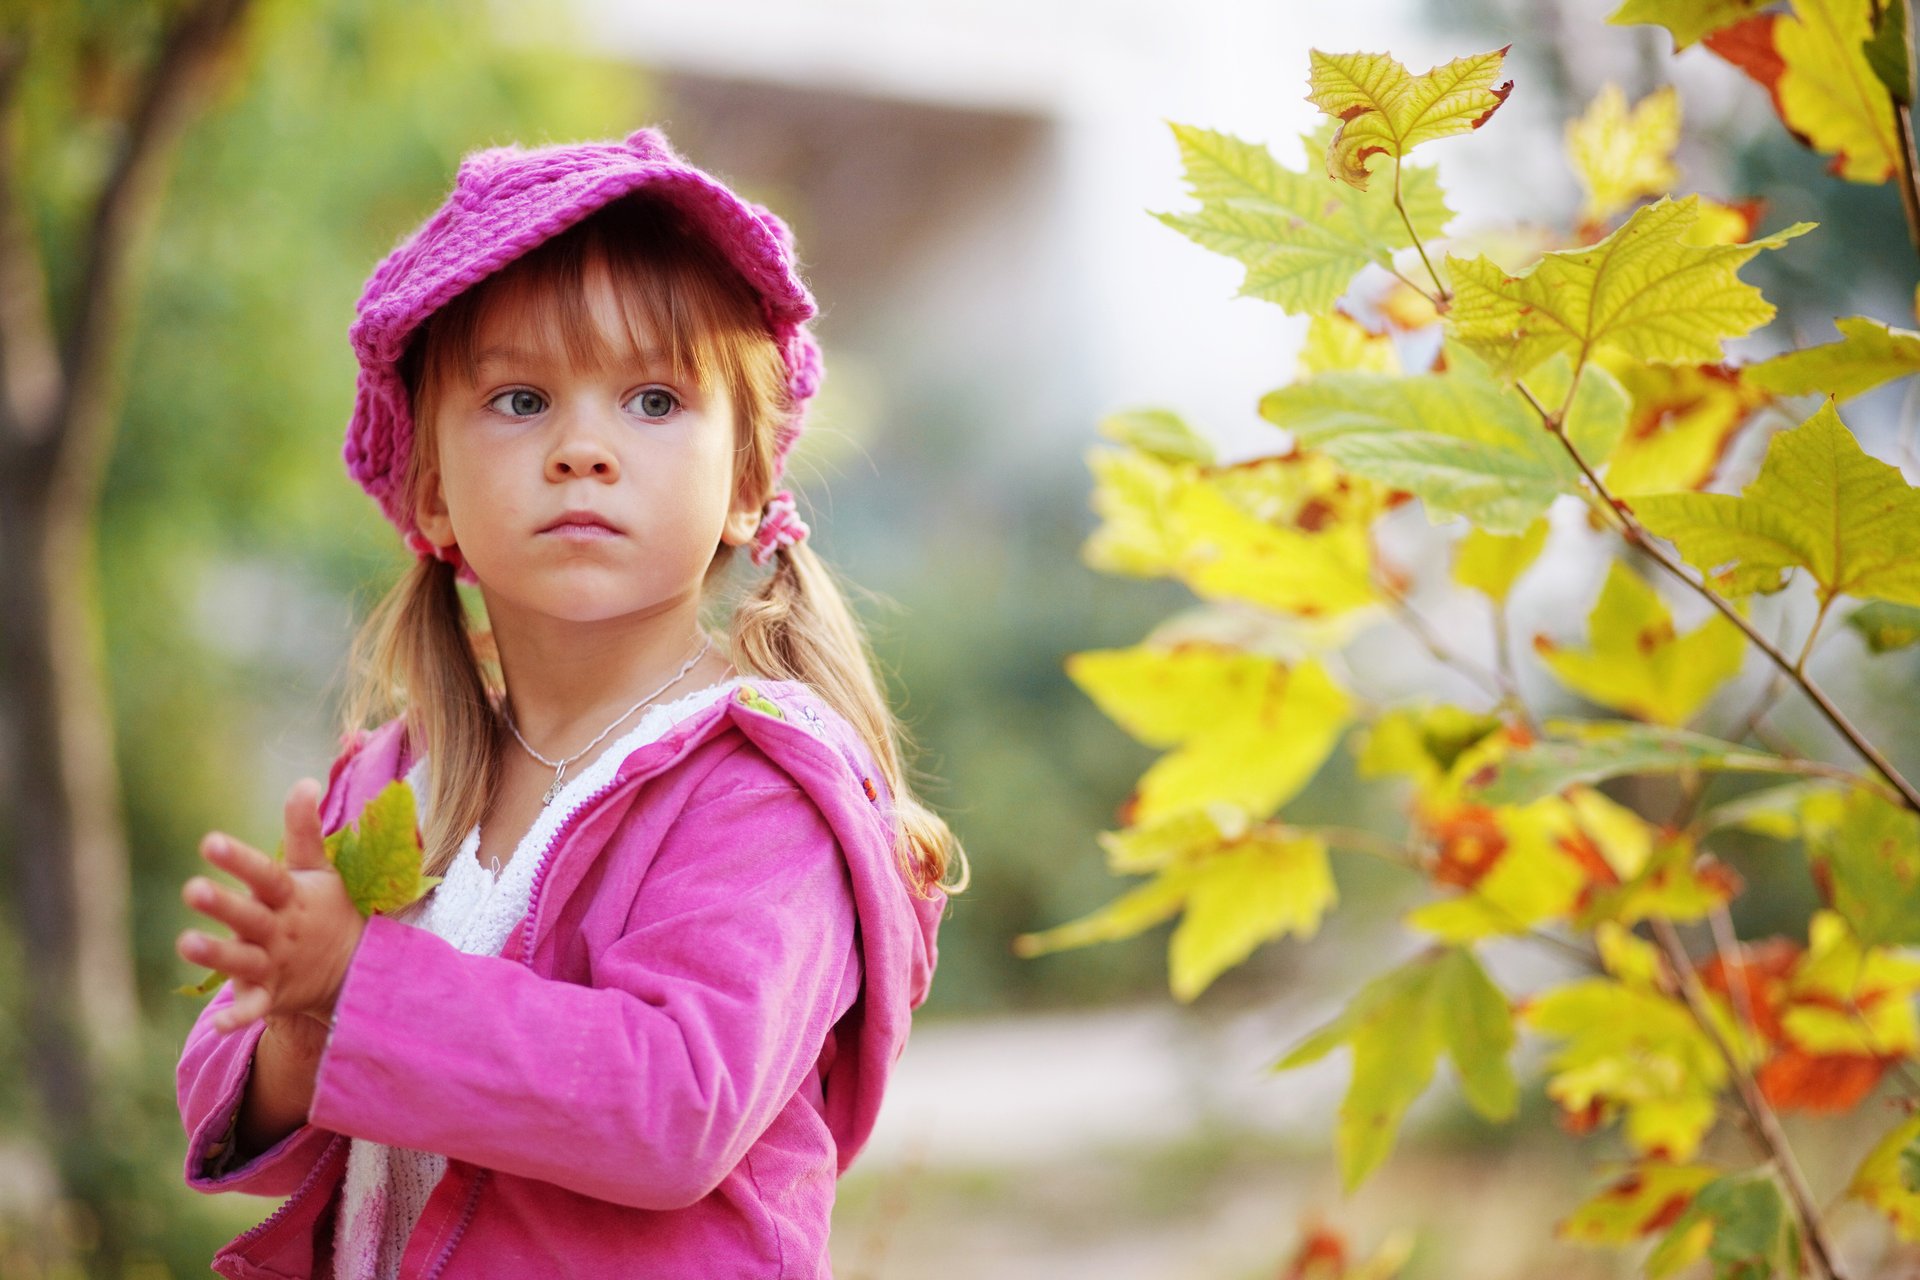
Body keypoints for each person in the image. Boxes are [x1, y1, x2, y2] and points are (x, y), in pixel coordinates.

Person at [171, 126, 963, 1279]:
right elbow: (229, 1095)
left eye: (653, 398)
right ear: (432, 491)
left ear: (747, 484)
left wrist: (362, 983)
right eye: (521, 398)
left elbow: (677, 1103)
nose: (583, 448)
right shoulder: (397, 781)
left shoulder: (760, 788)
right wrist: (297, 1017)